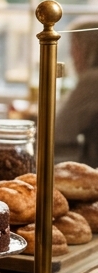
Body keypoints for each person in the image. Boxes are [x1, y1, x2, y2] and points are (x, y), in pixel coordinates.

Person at [56, 18, 98, 164]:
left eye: (75, 46)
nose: (71, 54)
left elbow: (59, 131)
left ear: (90, 48)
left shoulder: (93, 80)